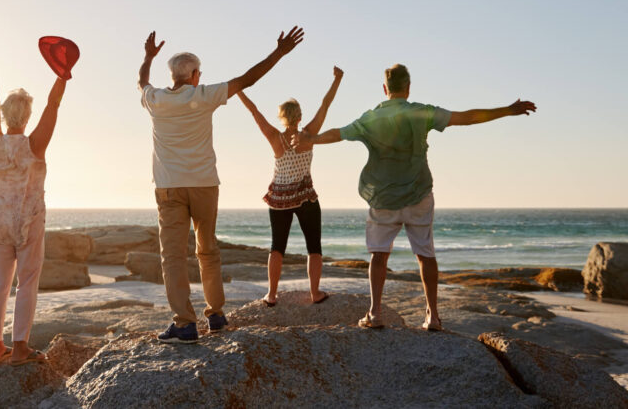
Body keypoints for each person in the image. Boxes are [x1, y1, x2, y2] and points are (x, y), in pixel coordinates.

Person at [308, 64, 536, 331]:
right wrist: (508, 110)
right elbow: (467, 117)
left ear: (385, 89)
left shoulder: (371, 118)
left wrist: (309, 140)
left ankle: (375, 313)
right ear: (408, 88)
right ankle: (433, 317)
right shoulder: (421, 112)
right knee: (425, 255)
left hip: (383, 198)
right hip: (419, 195)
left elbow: (337, 134)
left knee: (379, 256)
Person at [138, 27, 305, 344]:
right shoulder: (203, 95)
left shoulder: (156, 99)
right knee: (208, 250)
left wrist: (147, 57)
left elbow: (141, 81)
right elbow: (247, 79)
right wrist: (279, 53)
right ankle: (215, 315)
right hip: (204, 185)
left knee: (173, 257)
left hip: (169, 188)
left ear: (173, 76)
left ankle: (184, 323)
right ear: (196, 75)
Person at [0, 45, 68, 366]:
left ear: (4, 115)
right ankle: (21, 347)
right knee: (27, 281)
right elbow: (53, 104)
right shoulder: (35, 143)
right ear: (27, 116)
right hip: (27, 220)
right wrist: (62, 76)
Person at [236, 66, 344, 307]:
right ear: (299, 116)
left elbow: (255, 113)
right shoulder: (309, 134)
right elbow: (325, 106)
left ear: (282, 118)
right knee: (314, 246)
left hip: (279, 199)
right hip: (306, 196)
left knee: (277, 247)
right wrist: (337, 79)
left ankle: (271, 295)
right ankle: (315, 292)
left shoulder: (275, 138)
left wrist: (239, 91)